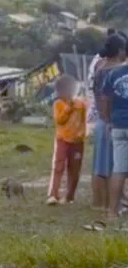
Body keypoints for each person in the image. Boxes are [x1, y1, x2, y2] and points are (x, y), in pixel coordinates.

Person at [89, 34, 127, 213]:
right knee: (116, 166)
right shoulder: (117, 70)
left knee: (100, 166)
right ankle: (114, 205)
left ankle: (100, 203)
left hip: (102, 121)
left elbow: (100, 97)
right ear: (120, 50)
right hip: (114, 121)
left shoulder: (99, 66)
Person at [100, 36, 128, 225]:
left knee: (119, 170)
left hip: (118, 126)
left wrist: (108, 121)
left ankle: (111, 212)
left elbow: (104, 100)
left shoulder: (112, 74)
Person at [46, 76, 86, 205]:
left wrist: (83, 132)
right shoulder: (58, 104)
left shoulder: (81, 104)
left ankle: (69, 196)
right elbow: (59, 120)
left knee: (74, 169)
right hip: (63, 140)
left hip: (77, 141)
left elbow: (84, 119)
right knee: (58, 166)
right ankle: (53, 194)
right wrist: (68, 108)